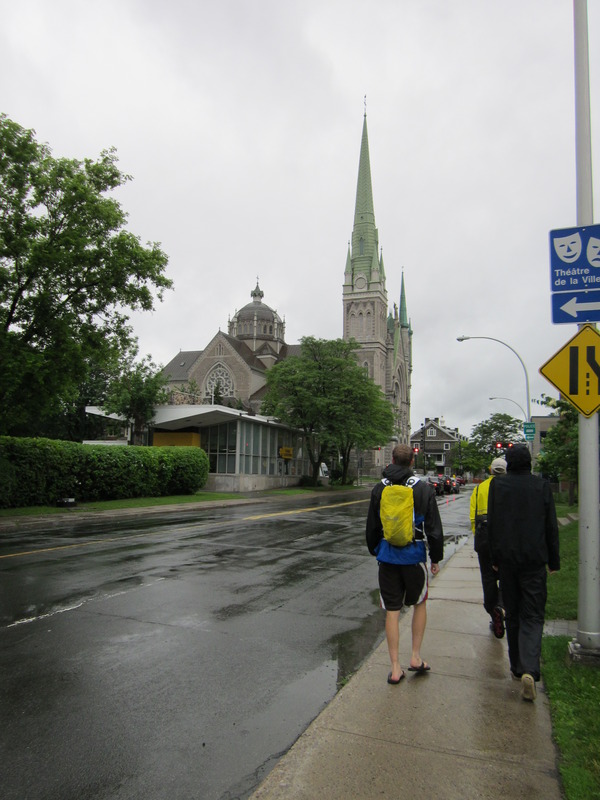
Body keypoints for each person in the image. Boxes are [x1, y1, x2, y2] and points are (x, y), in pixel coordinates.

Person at [487, 444, 560, 702]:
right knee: (533, 614)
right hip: (534, 561)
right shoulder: (541, 486)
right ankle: (530, 667)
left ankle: (517, 667)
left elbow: (493, 524)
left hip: (507, 561)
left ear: (509, 463)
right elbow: (550, 525)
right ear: (529, 462)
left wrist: (494, 559)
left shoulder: (498, 486)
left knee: (514, 613)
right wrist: (553, 560)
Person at [366, 443, 444, 684]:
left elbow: (372, 526)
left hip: (387, 557)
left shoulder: (380, 488)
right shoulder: (423, 489)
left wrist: (376, 549)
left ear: (391, 460)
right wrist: (435, 558)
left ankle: (395, 668)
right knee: (419, 603)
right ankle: (415, 657)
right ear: (412, 462)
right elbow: (433, 528)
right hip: (414, 557)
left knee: (392, 610)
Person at [469, 457, 507, 638]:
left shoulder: (479, 488)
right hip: (503, 536)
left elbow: (472, 515)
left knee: (487, 577)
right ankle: (501, 604)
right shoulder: (508, 487)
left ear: (491, 470)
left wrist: (477, 535)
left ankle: (493, 611)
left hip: (484, 535)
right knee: (506, 575)